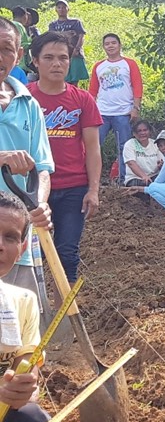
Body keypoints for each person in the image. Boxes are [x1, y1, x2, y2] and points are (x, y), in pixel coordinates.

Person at [27, 32, 102, 284]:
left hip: (73, 188)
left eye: (62, 58)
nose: (56, 64)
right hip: (30, 189)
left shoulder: (82, 99)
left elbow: (92, 149)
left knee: (67, 254)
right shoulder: (23, 100)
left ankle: (66, 318)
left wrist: (93, 189)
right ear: (35, 61)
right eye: (48, 57)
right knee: (29, 254)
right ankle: (30, 314)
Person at [0, 192, 53, 422]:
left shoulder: (23, 300)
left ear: (20, 250)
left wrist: (25, 384)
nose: (0, 246)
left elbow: (27, 361)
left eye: (9, 237)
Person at [0, 17, 53, 306]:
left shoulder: (28, 102)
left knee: (22, 316)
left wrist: (40, 204)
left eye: (6, 49)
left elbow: (42, 167)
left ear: (18, 55)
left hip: (17, 231)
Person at [89, 33, 143, 184]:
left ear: (120, 45)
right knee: (94, 146)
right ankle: (92, 179)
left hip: (123, 112)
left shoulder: (129, 64)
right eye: (107, 43)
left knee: (124, 147)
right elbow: (92, 91)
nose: (110, 46)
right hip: (102, 113)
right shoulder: (99, 66)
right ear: (103, 47)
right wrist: (90, 110)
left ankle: (123, 178)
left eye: (114, 43)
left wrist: (136, 107)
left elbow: (137, 86)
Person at [48, 0, 89, 85]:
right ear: (56, 10)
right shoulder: (53, 24)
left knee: (74, 81)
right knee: (61, 78)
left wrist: (77, 49)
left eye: (64, 7)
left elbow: (81, 36)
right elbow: (51, 37)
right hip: (59, 55)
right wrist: (65, 34)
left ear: (68, 9)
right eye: (59, 7)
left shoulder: (75, 22)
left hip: (75, 54)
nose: (61, 9)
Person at [123, 120, 162, 187]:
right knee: (147, 185)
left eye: (145, 130)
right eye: (139, 131)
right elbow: (131, 163)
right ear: (134, 133)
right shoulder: (130, 144)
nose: (142, 133)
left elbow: (161, 161)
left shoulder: (155, 143)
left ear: (149, 131)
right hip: (135, 178)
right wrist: (144, 176)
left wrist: (161, 165)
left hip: (154, 176)